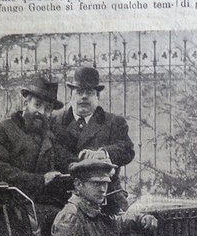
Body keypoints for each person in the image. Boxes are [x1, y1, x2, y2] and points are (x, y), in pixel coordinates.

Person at [0, 76, 74, 236]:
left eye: (48, 108)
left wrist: (85, 163)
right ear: (25, 102)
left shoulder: (47, 136)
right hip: (3, 208)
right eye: (37, 104)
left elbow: (67, 161)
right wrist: (40, 180)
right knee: (60, 219)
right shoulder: (0, 130)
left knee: (72, 216)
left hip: (31, 206)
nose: (42, 112)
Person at [52, 66, 135, 215]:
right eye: (79, 92)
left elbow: (127, 149)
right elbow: (53, 151)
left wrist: (103, 154)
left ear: (97, 97)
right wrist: (84, 162)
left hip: (106, 198)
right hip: (63, 198)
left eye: (89, 93)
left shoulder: (113, 122)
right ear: (71, 96)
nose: (84, 97)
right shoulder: (56, 121)